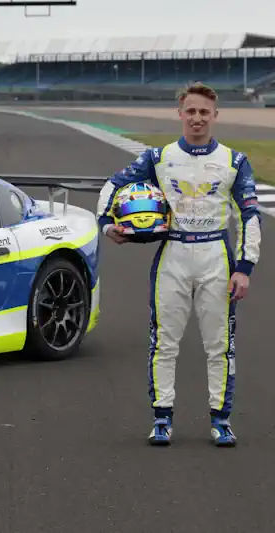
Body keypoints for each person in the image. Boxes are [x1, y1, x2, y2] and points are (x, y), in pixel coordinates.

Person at [95, 82, 262, 447]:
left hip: (216, 257)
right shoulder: (158, 158)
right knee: (163, 343)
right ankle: (162, 418)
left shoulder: (235, 162)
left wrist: (244, 267)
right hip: (173, 254)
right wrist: (107, 224)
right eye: (191, 111)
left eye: (204, 112)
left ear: (215, 115)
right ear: (180, 114)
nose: (197, 118)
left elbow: (250, 216)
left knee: (219, 346)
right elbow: (113, 185)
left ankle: (220, 420)